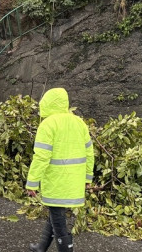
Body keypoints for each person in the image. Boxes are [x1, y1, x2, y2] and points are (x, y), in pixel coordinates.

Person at [26, 88, 94, 252]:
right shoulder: (79, 123)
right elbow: (89, 153)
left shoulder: (48, 124)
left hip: (57, 182)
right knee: (55, 212)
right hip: (74, 182)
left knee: (58, 220)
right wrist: (87, 178)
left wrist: (32, 183)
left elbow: (41, 157)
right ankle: (41, 247)